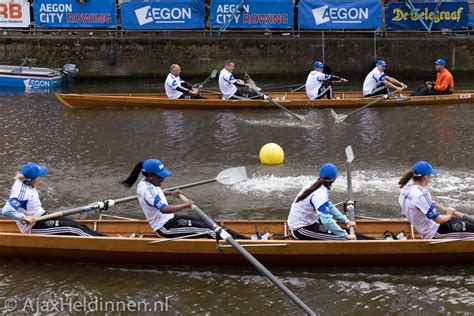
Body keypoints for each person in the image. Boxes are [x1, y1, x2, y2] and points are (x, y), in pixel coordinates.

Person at [120, 159, 248, 239]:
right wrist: (185, 205)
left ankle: (245, 240)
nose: (163, 179)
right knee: (209, 229)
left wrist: (171, 193)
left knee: (210, 221)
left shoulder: (148, 182)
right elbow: (164, 209)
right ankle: (242, 246)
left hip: (172, 220)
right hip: (165, 228)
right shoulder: (146, 189)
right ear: (151, 175)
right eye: (160, 177)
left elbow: (157, 193)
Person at [1, 162, 104, 236]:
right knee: (74, 229)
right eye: (40, 176)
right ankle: (104, 245)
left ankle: (104, 238)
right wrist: (24, 218)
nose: (42, 178)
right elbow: (6, 211)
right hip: (33, 226)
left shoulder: (24, 181)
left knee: (77, 224)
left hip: (42, 217)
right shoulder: (22, 194)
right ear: (36, 179)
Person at [398, 161, 474, 239]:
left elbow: (414, 208)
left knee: (462, 221)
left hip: (430, 227)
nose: (430, 178)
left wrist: (429, 204)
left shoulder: (405, 190)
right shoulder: (422, 194)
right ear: (426, 177)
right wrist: (449, 214)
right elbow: (440, 220)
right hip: (435, 233)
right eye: (430, 175)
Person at [288, 163, 359, 240]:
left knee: (350, 234)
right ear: (334, 179)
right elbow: (326, 221)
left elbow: (329, 206)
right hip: (300, 229)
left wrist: (346, 220)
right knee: (344, 238)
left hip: (311, 223)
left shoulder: (316, 184)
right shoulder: (319, 193)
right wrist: (345, 236)